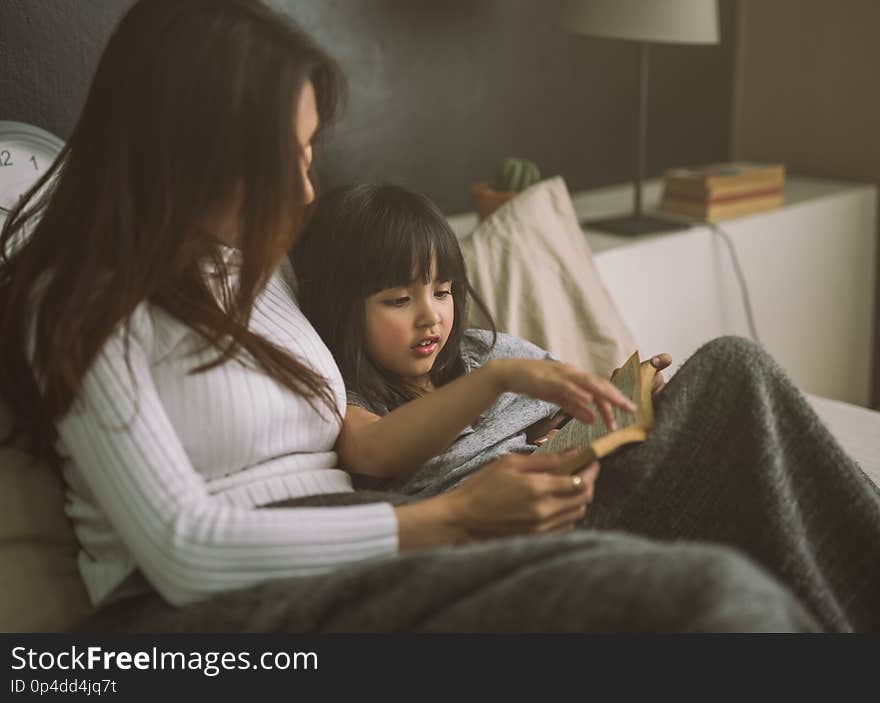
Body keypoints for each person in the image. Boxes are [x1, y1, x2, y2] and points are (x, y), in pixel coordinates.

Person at [1, 0, 877, 633]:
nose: (308, 188)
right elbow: (182, 551)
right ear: (196, 152)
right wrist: (456, 519)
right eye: (289, 158)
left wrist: (525, 419)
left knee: (726, 381)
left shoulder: (253, 273)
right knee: (713, 598)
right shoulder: (74, 299)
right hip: (215, 616)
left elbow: (370, 423)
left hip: (370, 547)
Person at [292, 182, 668, 500]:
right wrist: (494, 381)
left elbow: (545, 416)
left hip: (585, 482)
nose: (431, 317)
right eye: (399, 301)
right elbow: (374, 449)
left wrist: (614, 404)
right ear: (340, 308)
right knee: (724, 363)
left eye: (442, 292)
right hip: (520, 525)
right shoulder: (347, 397)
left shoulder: (484, 351)